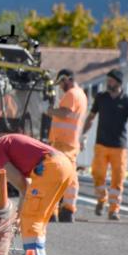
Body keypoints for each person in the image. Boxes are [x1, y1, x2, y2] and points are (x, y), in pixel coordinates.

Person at [81, 69, 128, 221]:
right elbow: (91, 117)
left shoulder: (127, 101)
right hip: (101, 144)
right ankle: (101, 200)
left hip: (119, 147)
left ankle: (114, 210)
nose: (108, 83)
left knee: (117, 179)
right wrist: (84, 134)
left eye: (111, 81)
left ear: (118, 83)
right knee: (97, 174)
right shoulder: (101, 98)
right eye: (108, 80)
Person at [44, 69, 87, 222]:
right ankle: (67, 209)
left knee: (56, 174)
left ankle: (53, 212)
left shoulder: (72, 94)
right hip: (70, 142)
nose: (61, 87)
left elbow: (65, 113)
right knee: (70, 175)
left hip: (63, 142)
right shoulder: (81, 94)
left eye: (61, 83)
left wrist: (50, 111)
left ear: (66, 79)